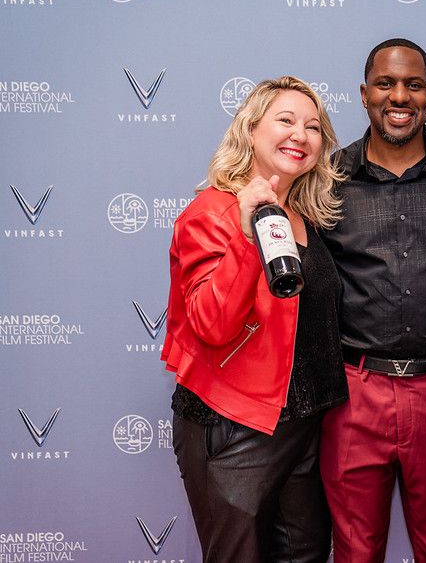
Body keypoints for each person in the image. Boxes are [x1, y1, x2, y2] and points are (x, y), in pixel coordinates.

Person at [161, 76, 348, 562]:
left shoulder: (301, 216)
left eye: (312, 127)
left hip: (303, 425)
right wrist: (245, 240)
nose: (300, 135)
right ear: (249, 131)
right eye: (285, 120)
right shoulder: (211, 211)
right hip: (236, 428)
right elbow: (211, 324)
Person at [319, 38, 426, 562]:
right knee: (355, 552)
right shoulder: (328, 177)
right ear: (364, 94)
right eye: (386, 84)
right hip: (353, 393)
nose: (399, 96)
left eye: (413, 84)